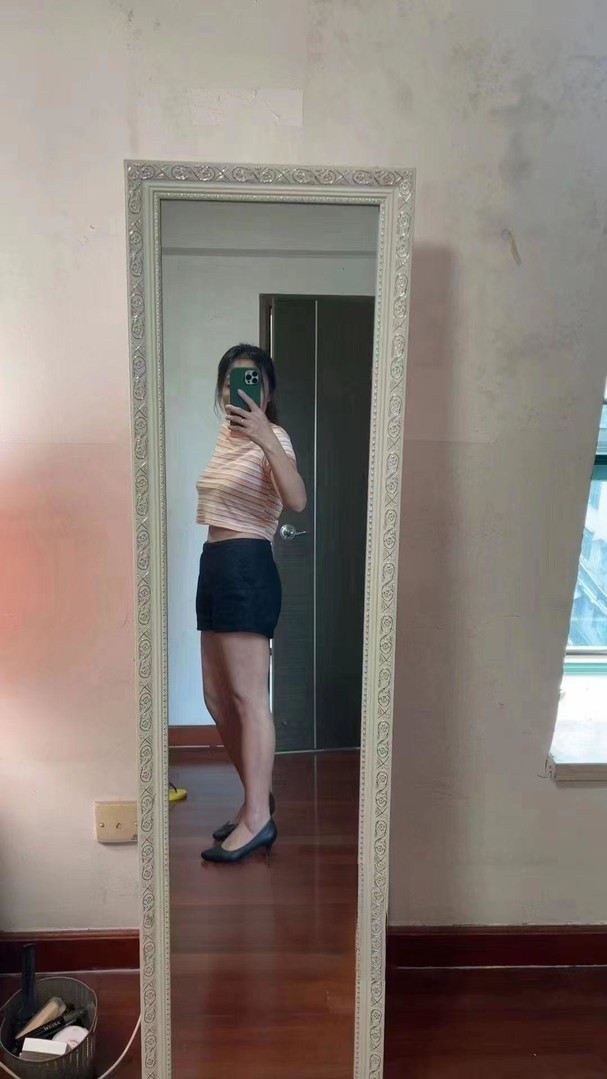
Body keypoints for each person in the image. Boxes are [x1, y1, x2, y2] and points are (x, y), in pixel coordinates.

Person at [196, 344, 307, 863]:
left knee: (247, 697)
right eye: (231, 380)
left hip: (247, 564)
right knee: (216, 698)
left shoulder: (274, 437)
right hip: (215, 564)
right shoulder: (224, 439)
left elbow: (297, 500)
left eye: (252, 380)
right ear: (222, 389)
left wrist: (265, 435)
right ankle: (255, 801)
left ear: (267, 391)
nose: (238, 389)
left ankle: (258, 819)